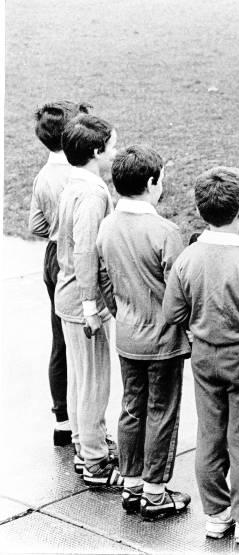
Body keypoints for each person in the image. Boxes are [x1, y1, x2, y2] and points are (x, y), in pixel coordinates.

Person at [163, 167, 239, 543]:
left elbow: (173, 313)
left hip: (204, 359)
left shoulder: (187, 259)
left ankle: (216, 514)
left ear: (201, 211)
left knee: (210, 435)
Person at [96, 145, 191, 519]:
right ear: (152, 183)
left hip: (128, 335)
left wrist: (122, 312)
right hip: (163, 341)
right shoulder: (166, 231)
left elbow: (104, 278)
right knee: (161, 411)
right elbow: (179, 294)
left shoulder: (107, 226)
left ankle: (131, 484)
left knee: (131, 408)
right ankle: (155, 493)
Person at [54, 113, 121, 486]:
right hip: (83, 302)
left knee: (80, 379)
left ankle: (85, 444)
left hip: (68, 296)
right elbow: (85, 252)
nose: (114, 152)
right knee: (95, 382)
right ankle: (95, 460)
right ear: (96, 151)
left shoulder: (72, 184)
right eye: (111, 146)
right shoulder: (93, 193)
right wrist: (93, 305)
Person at [28, 100, 90, 446]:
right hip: (72, 256)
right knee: (81, 339)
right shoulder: (77, 175)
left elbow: (36, 224)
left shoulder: (43, 175)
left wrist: (53, 228)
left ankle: (62, 418)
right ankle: (86, 423)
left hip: (51, 255)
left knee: (59, 338)